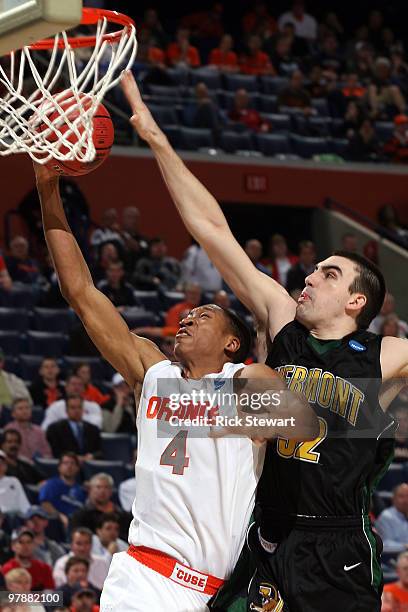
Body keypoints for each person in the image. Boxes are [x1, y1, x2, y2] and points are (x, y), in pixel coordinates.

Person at [120, 70, 408, 611]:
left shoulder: (384, 356)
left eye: (327, 274)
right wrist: (155, 137)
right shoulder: (282, 323)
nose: (309, 277)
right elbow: (212, 229)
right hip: (268, 538)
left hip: (339, 544)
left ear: (356, 302)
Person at [34, 157, 315, 611]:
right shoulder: (153, 373)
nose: (187, 317)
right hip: (146, 577)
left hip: (218, 592)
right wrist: (48, 188)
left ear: (231, 343)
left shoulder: (243, 380)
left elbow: (303, 427)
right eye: (188, 313)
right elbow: (81, 293)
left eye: (204, 315)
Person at [70, 473, 132, 543]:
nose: (102, 491)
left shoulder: (123, 516)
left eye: (106, 487)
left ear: (111, 491)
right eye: (98, 487)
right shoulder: (80, 515)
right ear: (90, 490)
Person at [46, 395, 102, 461]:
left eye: (79, 407)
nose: (77, 411)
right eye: (73, 408)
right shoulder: (55, 429)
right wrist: (74, 458)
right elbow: (55, 452)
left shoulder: (93, 429)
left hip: (89, 466)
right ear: (66, 410)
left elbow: (100, 452)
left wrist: (92, 456)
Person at [39, 452, 86, 529]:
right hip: (57, 524)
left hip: (78, 524)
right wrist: (60, 516)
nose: (69, 466)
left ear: (77, 468)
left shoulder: (81, 489)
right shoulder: (51, 484)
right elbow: (45, 504)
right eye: (65, 463)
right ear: (59, 467)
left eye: (72, 463)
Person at [53, 527, 110, 591]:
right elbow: (59, 590)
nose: (82, 548)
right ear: (71, 545)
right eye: (78, 544)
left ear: (91, 545)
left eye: (86, 543)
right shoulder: (62, 563)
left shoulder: (102, 562)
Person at [2, 527, 55, 591]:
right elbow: (3, 597)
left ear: (34, 545)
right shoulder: (6, 570)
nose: (26, 546)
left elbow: (54, 597)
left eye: (29, 542)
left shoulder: (44, 568)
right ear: (13, 546)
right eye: (21, 542)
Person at [375, 484, 408, 554]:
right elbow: (385, 544)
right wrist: (405, 546)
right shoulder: (386, 517)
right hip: (392, 558)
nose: (406, 500)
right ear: (393, 499)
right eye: (401, 496)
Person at [0, 449, 30, 514]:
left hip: (15, 517)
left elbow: (24, 503)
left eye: (2, 462)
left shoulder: (14, 481)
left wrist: (28, 516)